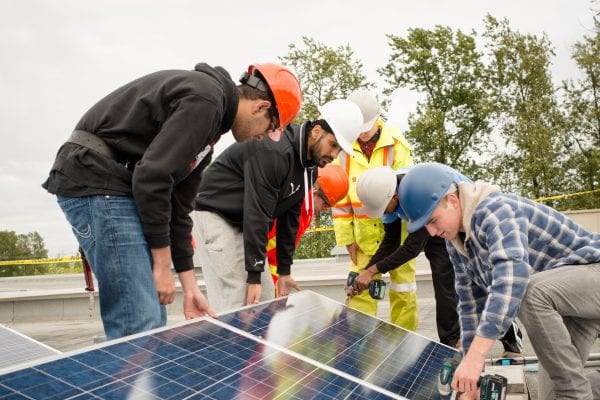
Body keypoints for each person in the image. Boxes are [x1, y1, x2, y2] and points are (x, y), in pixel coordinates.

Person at [42, 62, 302, 340]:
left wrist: (190, 288)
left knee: (154, 315)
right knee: (140, 320)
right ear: (260, 107)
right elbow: (152, 177)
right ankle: (125, 378)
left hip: (114, 183)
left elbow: (178, 210)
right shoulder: (206, 100)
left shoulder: (209, 134)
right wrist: (163, 265)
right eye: (270, 127)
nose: (264, 136)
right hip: (96, 178)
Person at [398, 162, 600, 399]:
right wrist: (471, 376)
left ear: (452, 201)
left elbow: (512, 277)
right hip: (569, 307)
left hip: (592, 275)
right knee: (555, 395)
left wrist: (477, 357)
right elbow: (470, 306)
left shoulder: (495, 210)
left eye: (433, 221)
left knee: (530, 292)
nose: (431, 233)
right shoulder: (456, 243)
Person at [192, 99, 363, 313]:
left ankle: (245, 343)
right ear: (317, 131)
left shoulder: (308, 169)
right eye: (334, 145)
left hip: (242, 220)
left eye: (340, 150)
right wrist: (253, 275)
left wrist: (284, 272)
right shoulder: (276, 151)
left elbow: (289, 218)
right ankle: (225, 344)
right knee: (237, 299)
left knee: (263, 296)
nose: (334, 155)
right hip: (214, 213)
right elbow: (258, 212)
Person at [354, 166, 524, 356]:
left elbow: (412, 248)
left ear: (394, 196)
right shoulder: (384, 193)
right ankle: (451, 342)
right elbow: (390, 242)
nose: (384, 213)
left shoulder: (415, 191)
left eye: (384, 208)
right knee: (443, 282)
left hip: (462, 214)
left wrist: (372, 271)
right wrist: (367, 270)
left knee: (480, 278)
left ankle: (511, 338)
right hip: (432, 221)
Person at [331, 90, 416, 330]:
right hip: (363, 237)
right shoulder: (343, 150)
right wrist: (346, 238)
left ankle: (405, 344)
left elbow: (405, 188)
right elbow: (340, 199)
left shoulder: (396, 143)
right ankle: (359, 347)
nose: (362, 133)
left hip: (397, 232)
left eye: (365, 127)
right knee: (360, 291)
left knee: (403, 291)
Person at [266, 164, 350, 289]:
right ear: (315, 194)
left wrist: (279, 280)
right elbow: (263, 248)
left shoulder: (307, 212)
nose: (323, 210)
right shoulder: (292, 206)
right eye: (326, 205)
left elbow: (280, 254)